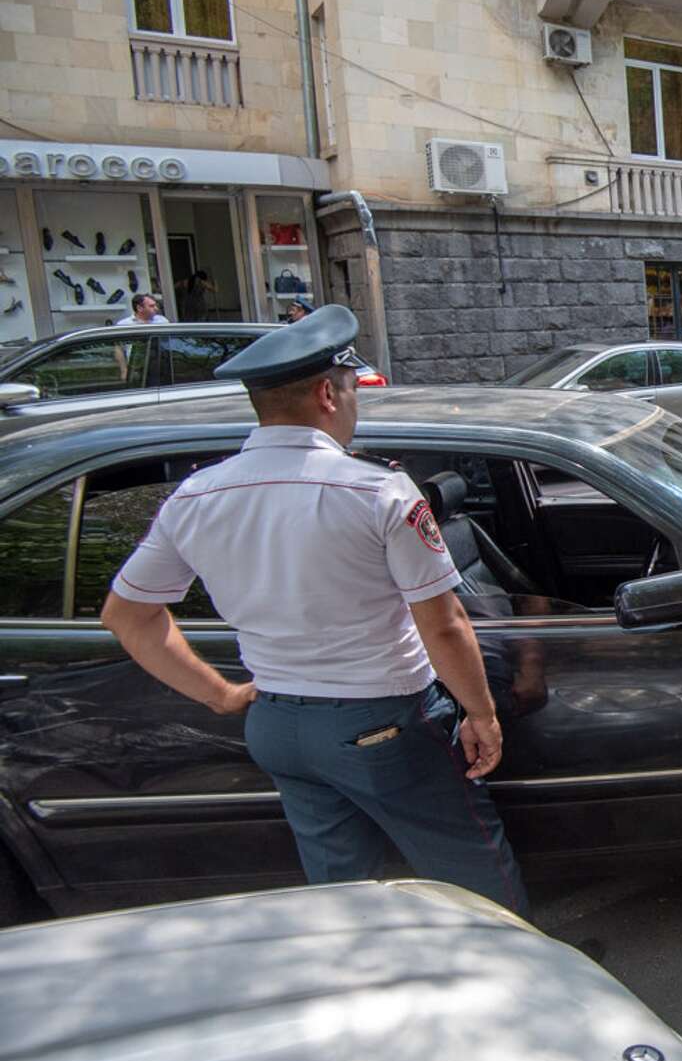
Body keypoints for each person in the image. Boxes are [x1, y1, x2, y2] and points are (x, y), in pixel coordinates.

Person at [97, 305, 529, 915]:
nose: (356, 407)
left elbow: (127, 615)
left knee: (341, 892)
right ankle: (514, 986)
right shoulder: (376, 490)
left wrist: (220, 695)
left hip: (276, 726)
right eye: (354, 393)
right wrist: (481, 713)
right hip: (384, 722)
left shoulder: (195, 497)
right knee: (470, 872)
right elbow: (444, 622)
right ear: (328, 393)